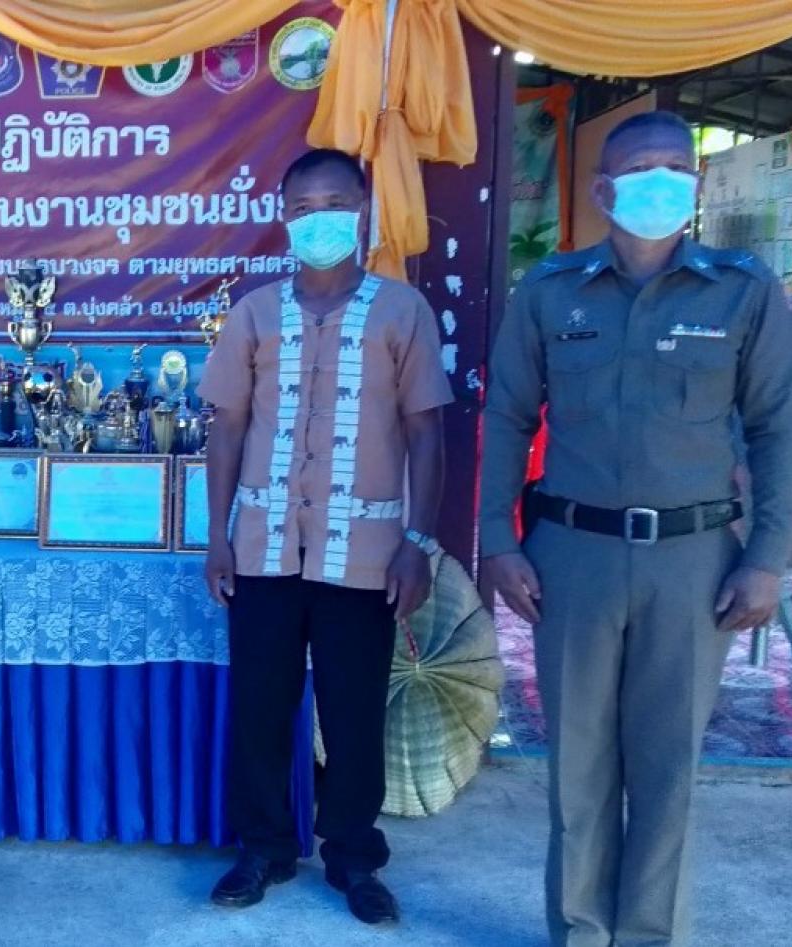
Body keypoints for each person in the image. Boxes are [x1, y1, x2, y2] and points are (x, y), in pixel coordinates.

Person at [479, 110, 792, 947]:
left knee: (667, 769)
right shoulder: (551, 290)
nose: (661, 181)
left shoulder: (743, 289)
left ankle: (652, 935)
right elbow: (508, 417)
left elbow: (776, 429)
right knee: (579, 764)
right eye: (640, 168)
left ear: (696, 182)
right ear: (602, 190)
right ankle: (582, 931)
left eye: (676, 167)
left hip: (693, 561)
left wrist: (768, 557)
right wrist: (497, 541)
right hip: (573, 555)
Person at [199, 148, 452, 924]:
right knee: (259, 707)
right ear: (284, 217)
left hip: (364, 557)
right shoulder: (253, 313)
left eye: (335, 205)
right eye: (304, 209)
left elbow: (426, 433)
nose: (320, 221)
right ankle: (264, 846)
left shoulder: (402, 311)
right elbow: (226, 428)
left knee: (353, 712)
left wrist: (418, 542)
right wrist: (217, 537)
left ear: (363, 210)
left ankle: (353, 854)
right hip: (263, 547)